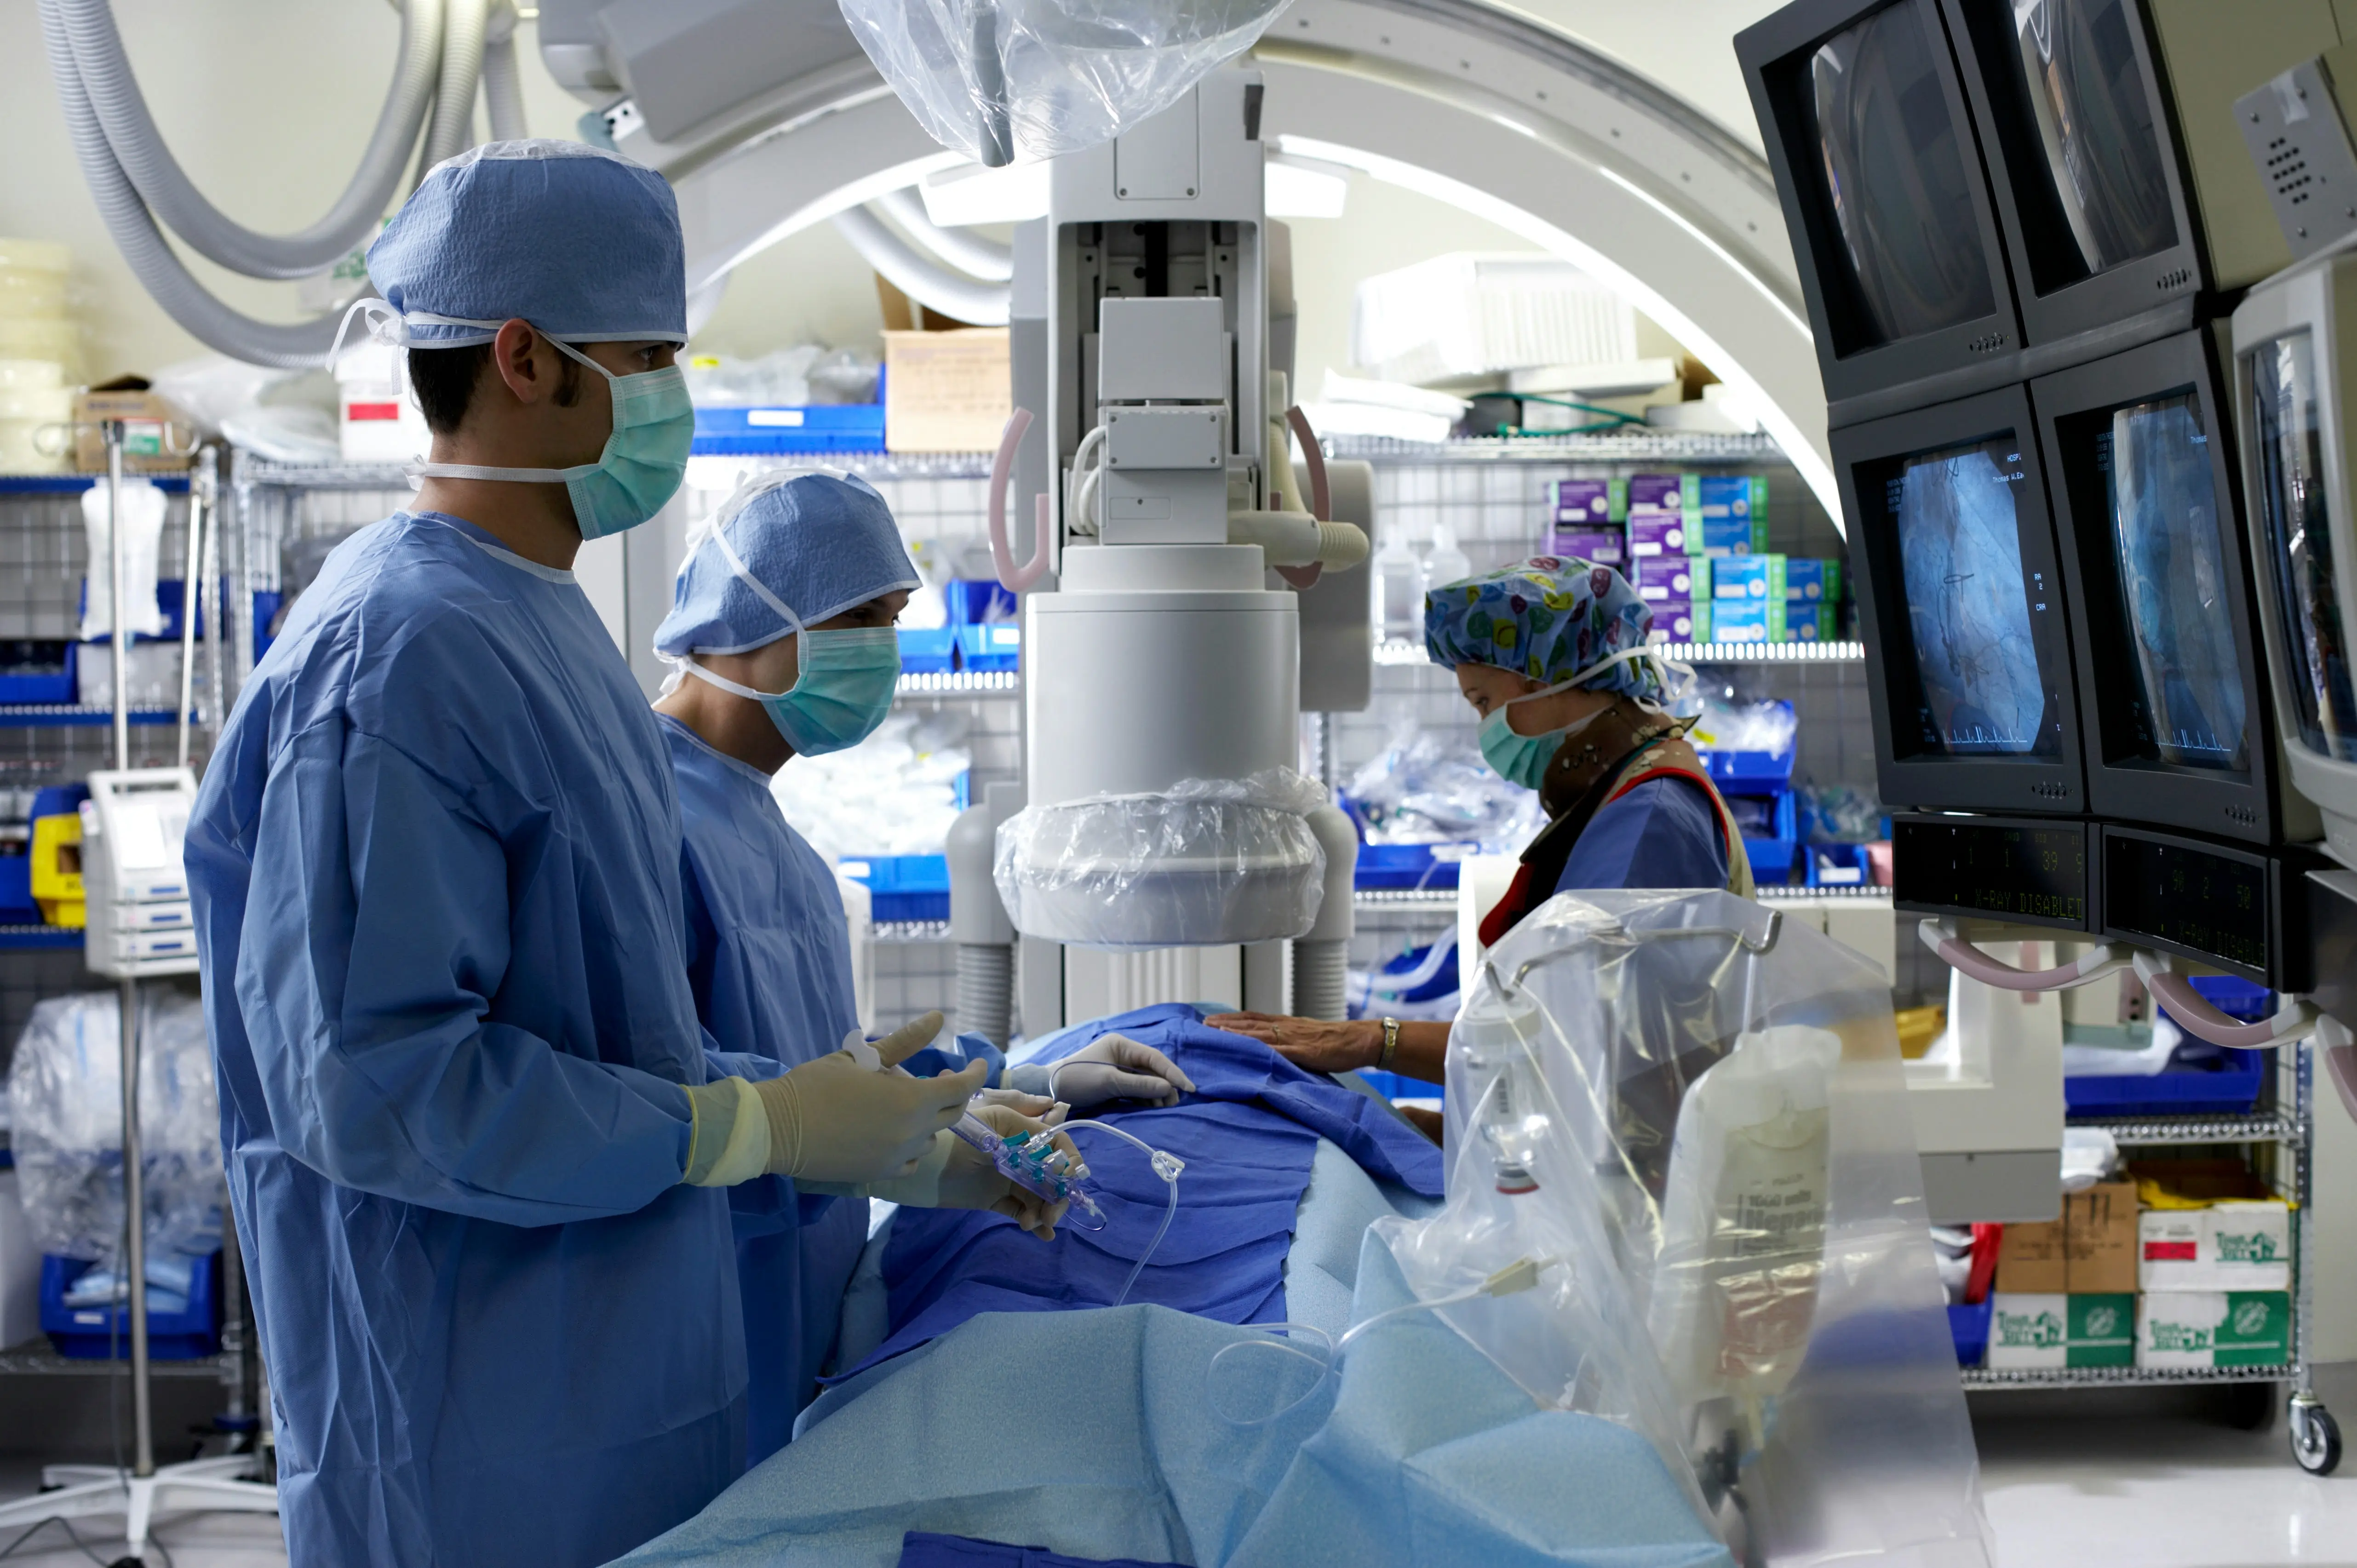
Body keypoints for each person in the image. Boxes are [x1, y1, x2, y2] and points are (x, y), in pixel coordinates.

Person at [185, 142, 1053, 1568]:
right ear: (524, 357)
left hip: (626, 1383)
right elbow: (375, 1080)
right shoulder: (397, 653)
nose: (672, 392)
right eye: (647, 352)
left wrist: (835, 1122)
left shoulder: (537, 622)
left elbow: (612, 1030)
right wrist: (749, 1128)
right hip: (473, 1431)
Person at [647, 469, 1193, 1462]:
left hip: (780, 1312)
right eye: (860, 617)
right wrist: (915, 1153)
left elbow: (822, 1063)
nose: (883, 652)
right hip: (690, 1327)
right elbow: (669, 1100)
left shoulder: (761, 828)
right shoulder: (646, 820)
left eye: (894, 619)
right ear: (743, 618)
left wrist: (1015, 1080)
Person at [1210, 555, 1750, 1095]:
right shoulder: (1624, 794)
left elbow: (1579, 1040)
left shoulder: (1648, 819)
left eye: (1485, 701)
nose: (1485, 727)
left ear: (1555, 674)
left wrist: (1374, 1040)